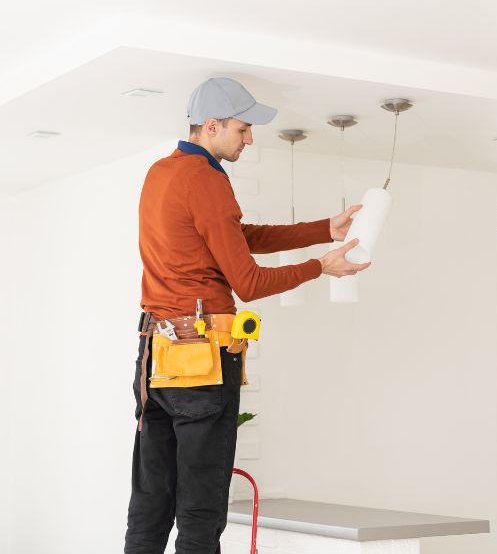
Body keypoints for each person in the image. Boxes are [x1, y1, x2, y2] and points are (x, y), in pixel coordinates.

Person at [124, 77, 370, 554]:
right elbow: (250, 283)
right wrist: (323, 266)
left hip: (154, 361)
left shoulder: (160, 173)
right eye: (243, 128)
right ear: (212, 126)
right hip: (204, 358)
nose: (250, 137)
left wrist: (323, 229)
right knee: (200, 512)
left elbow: (236, 236)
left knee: (150, 505)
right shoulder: (208, 180)